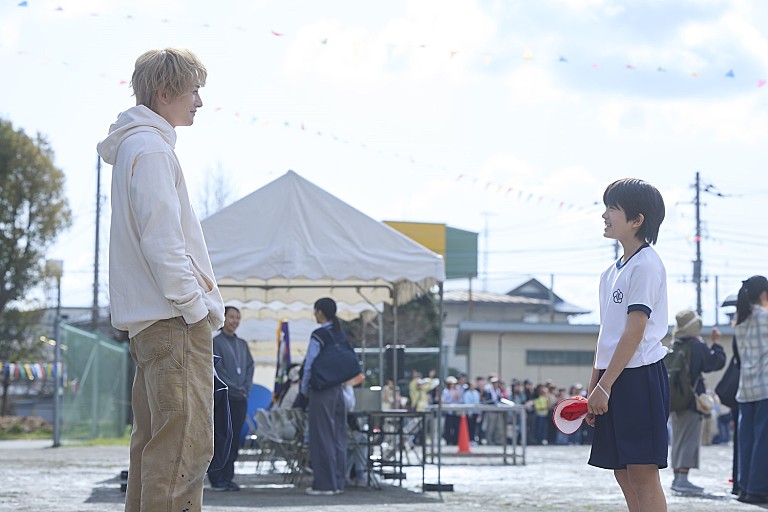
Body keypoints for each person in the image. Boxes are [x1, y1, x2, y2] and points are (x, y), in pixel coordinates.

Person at [97, 48, 225, 512]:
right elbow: (165, 243)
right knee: (181, 454)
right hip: (174, 321)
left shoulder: (136, 146)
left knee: (156, 449)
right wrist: (196, 308)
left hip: (152, 325)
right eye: (193, 91)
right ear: (165, 91)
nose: (199, 102)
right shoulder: (151, 149)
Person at [585, 178, 669, 512]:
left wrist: (605, 386)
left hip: (640, 376)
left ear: (637, 220)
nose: (605, 215)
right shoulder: (611, 272)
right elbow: (607, 335)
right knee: (622, 471)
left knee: (642, 473)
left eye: (613, 209)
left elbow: (635, 330)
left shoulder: (648, 264)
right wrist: (595, 385)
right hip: (613, 377)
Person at [667, 309, 725, 493]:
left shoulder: (675, 345)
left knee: (677, 438)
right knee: (689, 438)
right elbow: (715, 363)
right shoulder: (695, 346)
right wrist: (716, 344)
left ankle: (677, 478)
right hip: (692, 400)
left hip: (675, 401)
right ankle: (683, 479)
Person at [300, 297, 353, 496]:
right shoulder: (341, 333)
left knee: (321, 437)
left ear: (320, 312)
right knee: (338, 437)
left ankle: (324, 484)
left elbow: (309, 365)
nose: (314, 314)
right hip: (340, 390)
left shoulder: (319, 334)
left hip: (322, 391)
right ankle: (338, 482)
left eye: (315, 311)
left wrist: (304, 389)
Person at [207, 306, 254, 491]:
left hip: (240, 399)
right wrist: (234, 388)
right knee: (220, 436)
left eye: (237, 317)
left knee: (234, 439)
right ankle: (216, 478)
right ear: (223, 318)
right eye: (231, 317)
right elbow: (218, 372)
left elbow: (250, 367)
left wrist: (246, 388)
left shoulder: (242, 344)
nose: (235, 321)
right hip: (223, 397)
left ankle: (228, 477)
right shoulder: (215, 343)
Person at [733, 275, 768, 504]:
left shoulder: (740, 321)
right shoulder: (765, 317)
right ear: (764, 295)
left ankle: (744, 486)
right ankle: (757, 488)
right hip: (765, 386)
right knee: (763, 440)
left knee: (747, 440)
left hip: (745, 388)